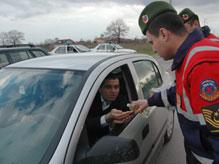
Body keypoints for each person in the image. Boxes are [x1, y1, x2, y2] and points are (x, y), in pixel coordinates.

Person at [136, 1, 219, 163]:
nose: (153, 49)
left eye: (151, 42)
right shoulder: (188, 57)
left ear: (164, 34)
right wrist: (148, 101)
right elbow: (180, 94)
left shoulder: (201, 66)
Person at [86, 73, 133, 146]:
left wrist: (115, 124)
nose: (113, 91)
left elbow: (129, 114)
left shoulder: (122, 100)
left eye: (116, 87)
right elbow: (85, 125)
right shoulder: (89, 103)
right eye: (108, 87)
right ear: (100, 89)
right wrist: (107, 118)